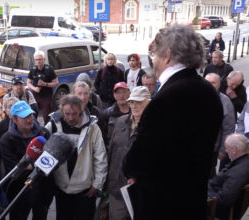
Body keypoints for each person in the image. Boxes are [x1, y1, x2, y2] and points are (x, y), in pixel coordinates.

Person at [122, 25, 223, 220]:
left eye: (154, 53)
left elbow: (138, 160)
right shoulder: (209, 91)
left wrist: (129, 167)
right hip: (192, 203)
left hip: (163, 207)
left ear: (167, 55)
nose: (152, 59)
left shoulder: (168, 97)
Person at [45, 95, 107, 220]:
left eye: (74, 114)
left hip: (85, 190)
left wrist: (97, 185)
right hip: (61, 189)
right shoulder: (53, 125)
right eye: (67, 114)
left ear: (81, 110)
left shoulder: (93, 128)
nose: (71, 118)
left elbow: (100, 157)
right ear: (62, 110)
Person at [0, 101, 51, 220]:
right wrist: (37, 165)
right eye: (24, 117)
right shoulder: (6, 140)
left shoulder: (44, 133)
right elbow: (14, 170)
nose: (29, 120)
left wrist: (30, 166)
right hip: (19, 192)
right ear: (14, 119)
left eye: (30, 115)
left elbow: (50, 162)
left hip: (43, 189)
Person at [108, 86, 150, 220]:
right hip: (117, 190)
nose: (134, 106)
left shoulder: (153, 127)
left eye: (139, 102)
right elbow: (111, 152)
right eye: (132, 102)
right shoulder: (120, 122)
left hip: (141, 192)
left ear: (148, 103)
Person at [208, 133, 249, 220]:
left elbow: (225, 200)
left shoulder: (239, 171)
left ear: (234, 150)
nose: (226, 151)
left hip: (215, 208)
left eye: (227, 148)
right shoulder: (243, 161)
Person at [205, 73, 236, 171]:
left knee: (208, 173)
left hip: (212, 148)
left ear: (219, 84)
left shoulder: (225, 101)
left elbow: (229, 128)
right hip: (193, 146)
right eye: (207, 82)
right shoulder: (195, 96)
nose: (209, 85)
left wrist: (223, 150)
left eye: (213, 83)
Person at [27, 50, 59, 124]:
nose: (38, 61)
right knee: (32, 115)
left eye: (40, 59)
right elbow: (28, 82)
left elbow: (56, 83)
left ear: (44, 59)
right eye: (36, 60)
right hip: (35, 95)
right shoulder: (33, 69)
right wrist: (34, 88)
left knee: (46, 116)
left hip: (46, 96)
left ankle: (47, 131)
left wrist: (45, 84)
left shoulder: (49, 69)